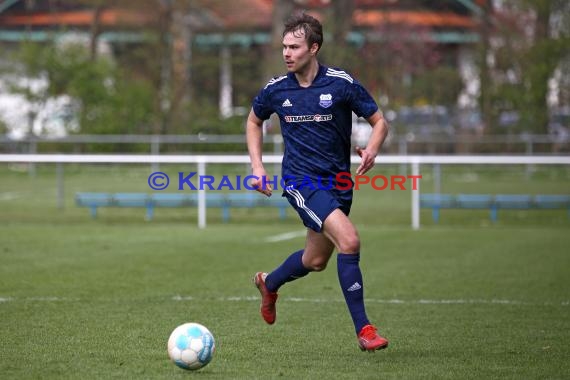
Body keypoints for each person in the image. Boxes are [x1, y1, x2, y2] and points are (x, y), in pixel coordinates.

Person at [246, 12, 390, 352]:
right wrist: (257, 167)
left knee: (315, 260)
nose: (286, 53)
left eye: (294, 47)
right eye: (284, 47)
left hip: (339, 183)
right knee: (350, 241)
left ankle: (270, 283)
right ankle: (365, 331)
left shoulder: (340, 83)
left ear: (314, 47)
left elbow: (379, 120)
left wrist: (372, 149)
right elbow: (254, 122)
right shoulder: (275, 90)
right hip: (301, 181)